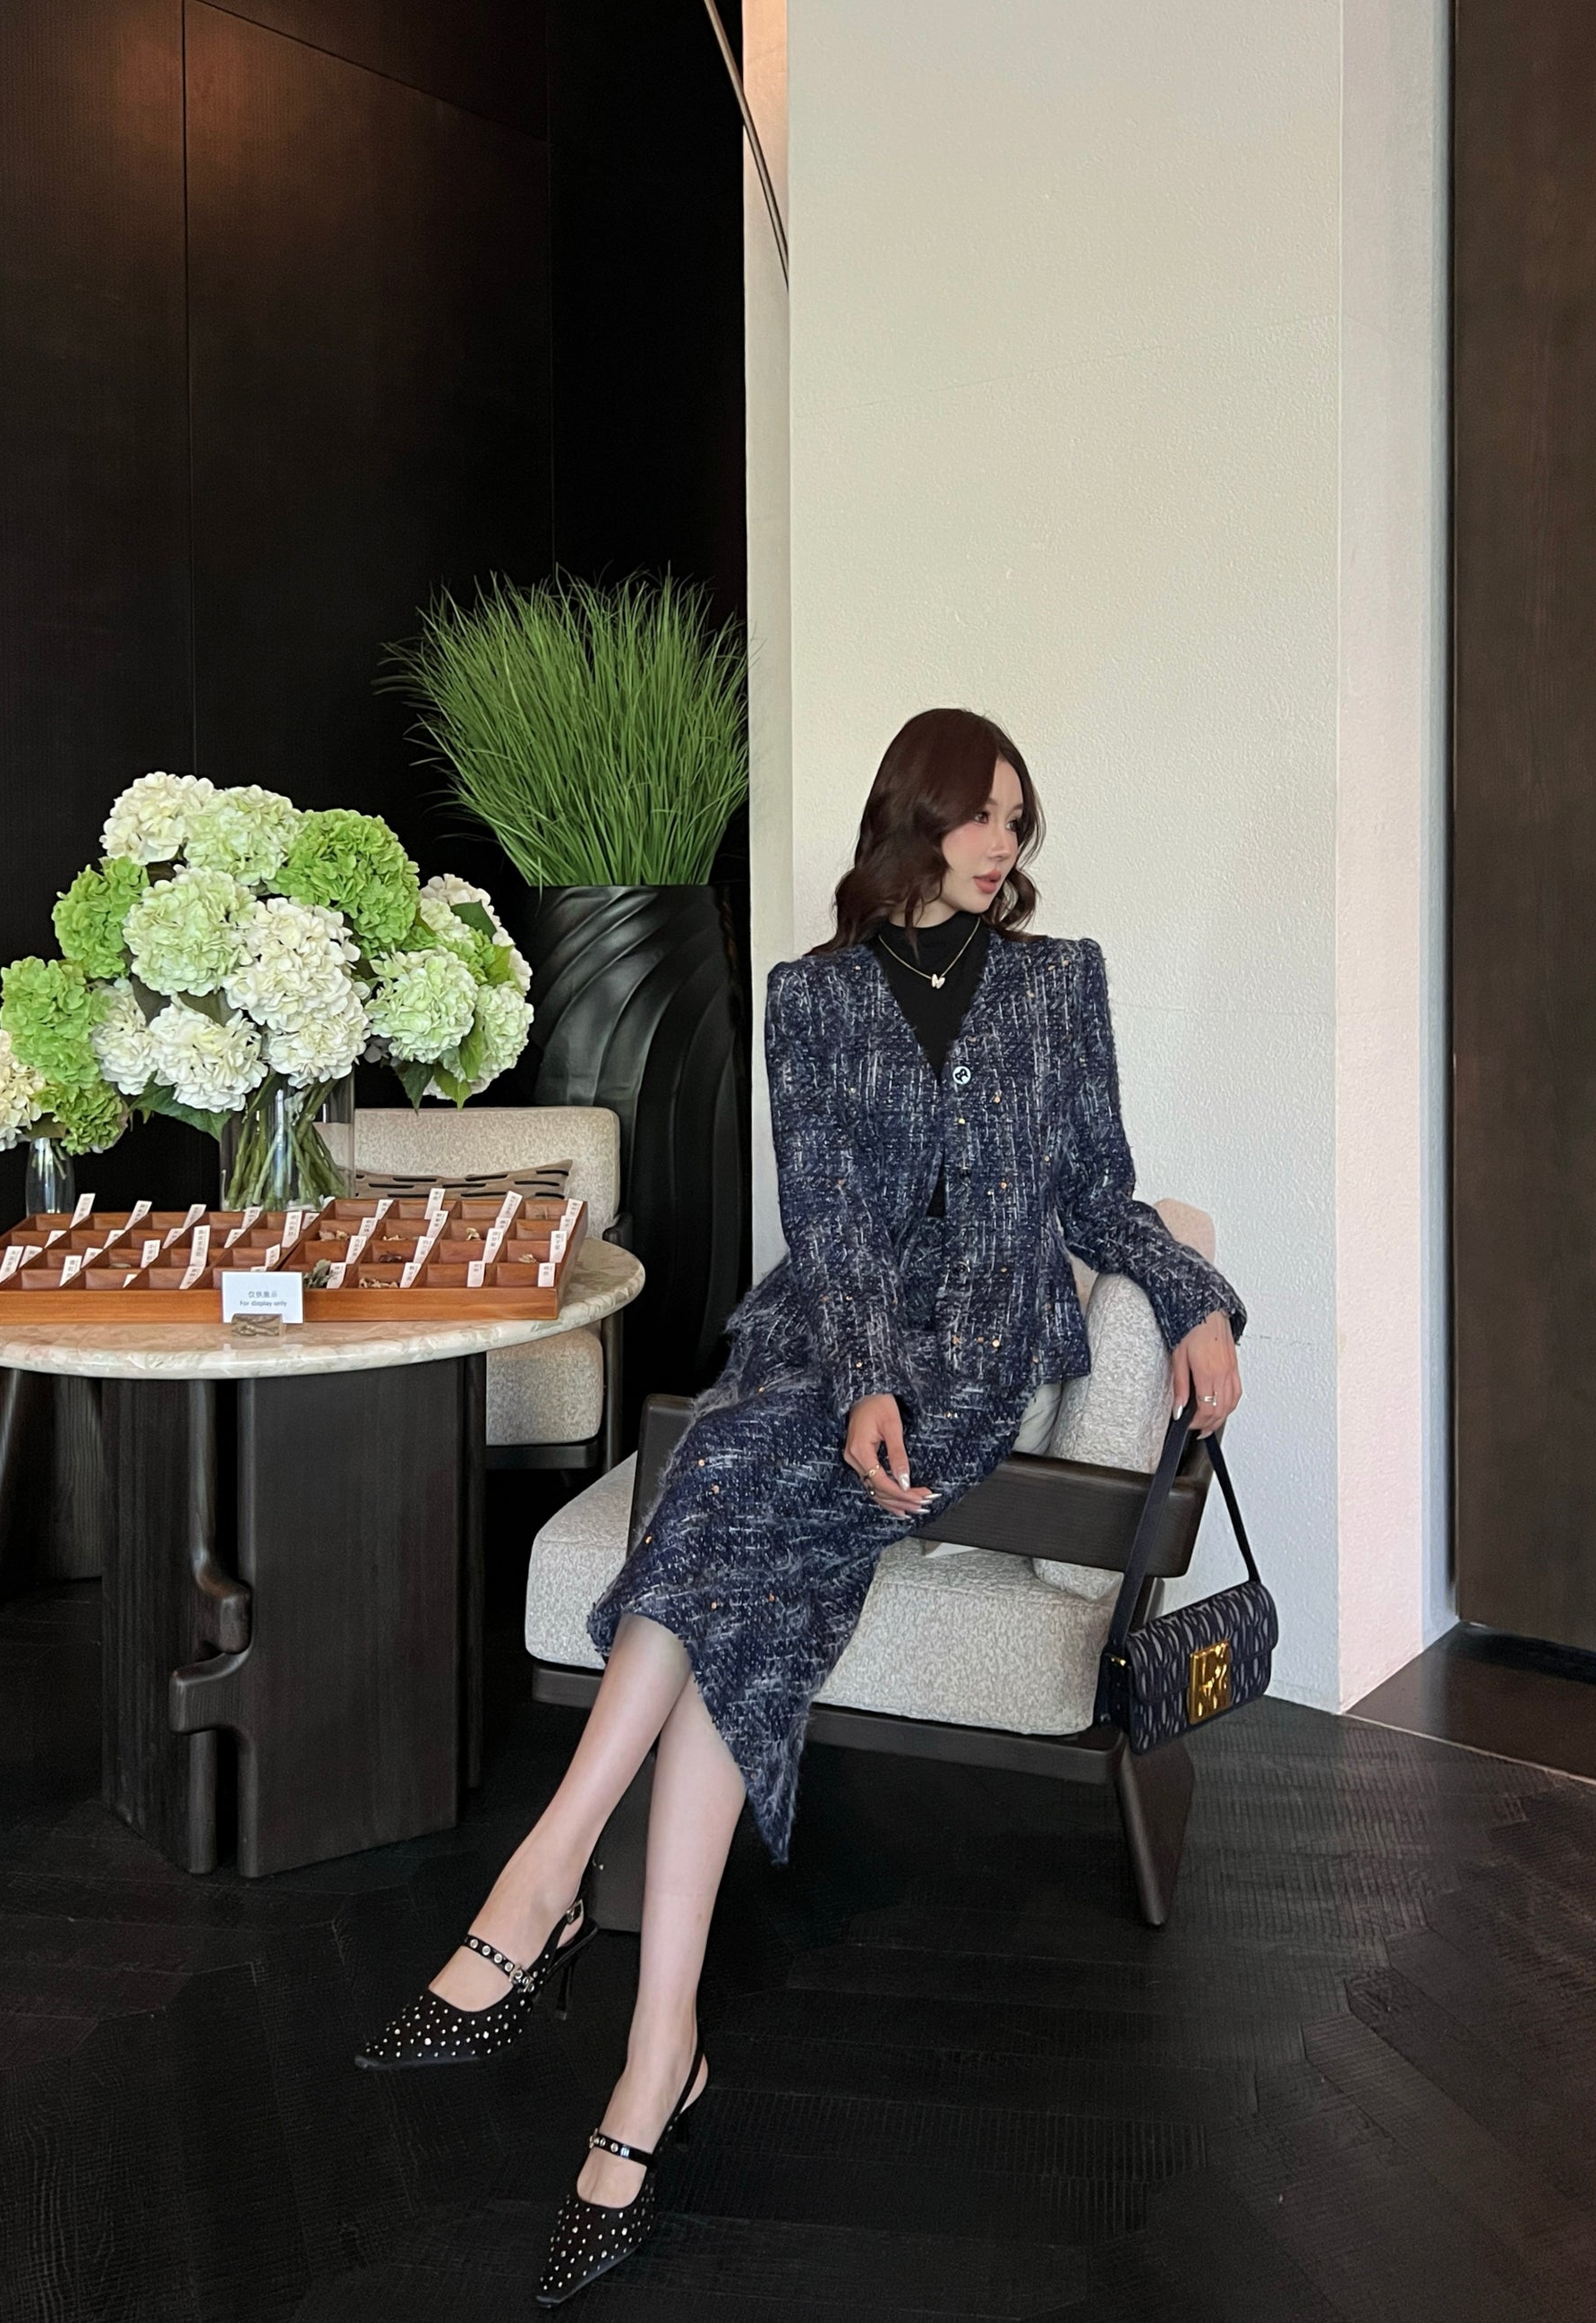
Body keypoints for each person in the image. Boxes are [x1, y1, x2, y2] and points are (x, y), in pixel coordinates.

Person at [355, 706, 1248, 2307]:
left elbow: (1096, 1190)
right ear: (911, 814)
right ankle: (652, 2056)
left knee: (715, 1518)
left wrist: (1196, 1299)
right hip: (823, 1343)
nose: (1001, 846)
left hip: (974, 1355)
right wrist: (855, 1380)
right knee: (742, 1553)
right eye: (978, 815)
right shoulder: (810, 995)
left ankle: (545, 1889)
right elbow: (827, 1222)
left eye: (1017, 821)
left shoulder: (1060, 981)